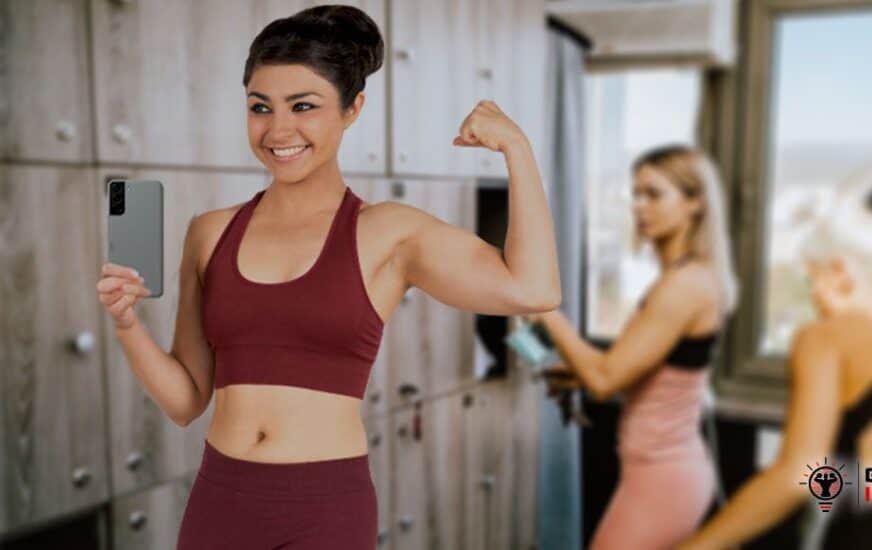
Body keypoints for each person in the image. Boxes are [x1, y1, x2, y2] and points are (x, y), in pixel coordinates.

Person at [95, 5, 560, 549]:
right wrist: (127, 324)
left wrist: (518, 150)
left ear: (352, 108)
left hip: (325, 507)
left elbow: (534, 290)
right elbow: (185, 402)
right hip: (220, 497)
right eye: (260, 107)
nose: (279, 129)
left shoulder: (388, 232)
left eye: (304, 106)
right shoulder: (209, 233)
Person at [677, 166, 872, 550]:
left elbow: (796, 476)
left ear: (841, 274)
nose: (814, 300)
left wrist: (696, 546)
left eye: (813, 282)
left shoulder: (826, 339)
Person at [528, 144, 739, 549]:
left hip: (665, 478)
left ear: (695, 202)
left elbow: (606, 379)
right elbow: (649, 374)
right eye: (636, 194)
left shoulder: (685, 286)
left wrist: (543, 310)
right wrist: (576, 376)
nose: (640, 207)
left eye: (654, 194)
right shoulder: (678, 279)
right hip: (654, 472)